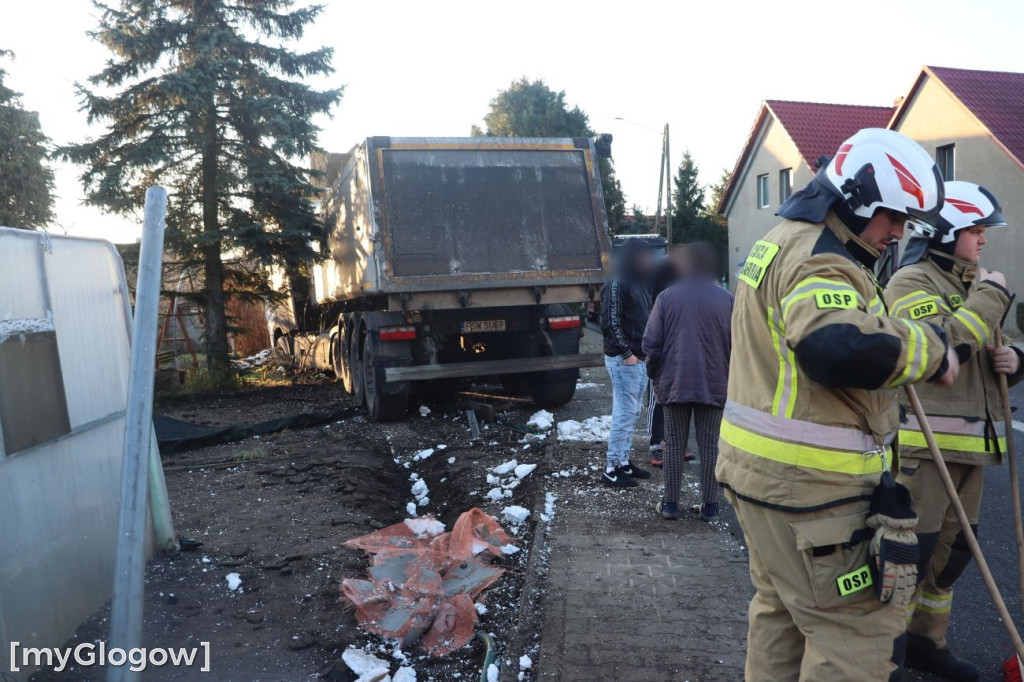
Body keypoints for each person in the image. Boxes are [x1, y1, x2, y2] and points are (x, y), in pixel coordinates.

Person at [716, 128, 961, 682]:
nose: (898, 232)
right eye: (894, 216)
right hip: (813, 496)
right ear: (858, 197)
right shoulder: (820, 259)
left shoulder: (782, 238)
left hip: (767, 486)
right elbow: (831, 343)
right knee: (854, 632)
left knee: (781, 618)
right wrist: (929, 348)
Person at [885, 181, 1023, 681]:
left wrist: (1015, 358)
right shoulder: (910, 283)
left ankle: (927, 644)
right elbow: (941, 348)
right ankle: (886, 655)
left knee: (955, 556)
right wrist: (990, 295)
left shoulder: (972, 285)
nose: (983, 240)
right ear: (941, 232)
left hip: (974, 450)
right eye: (976, 230)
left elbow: (992, 348)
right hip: (927, 450)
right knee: (910, 558)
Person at [642, 242, 731, 521]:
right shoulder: (727, 299)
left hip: (674, 382)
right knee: (710, 446)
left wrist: (654, 374)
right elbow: (738, 344)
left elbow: (651, 343)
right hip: (714, 382)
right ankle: (710, 506)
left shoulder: (667, 297)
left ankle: (669, 504)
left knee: (674, 444)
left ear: (686, 265)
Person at [599, 238, 654, 488]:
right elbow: (611, 321)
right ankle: (611, 469)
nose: (648, 260)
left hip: (639, 359)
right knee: (624, 413)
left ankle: (623, 463)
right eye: (643, 256)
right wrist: (627, 354)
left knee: (632, 413)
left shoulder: (640, 282)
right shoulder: (617, 282)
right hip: (625, 361)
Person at [646, 245, 689, 466]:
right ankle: (656, 445)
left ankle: (675, 444)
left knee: (678, 395)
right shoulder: (658, 275)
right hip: (662, 342)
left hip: (680, 344)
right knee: (657, 395)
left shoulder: (685, 277)